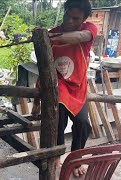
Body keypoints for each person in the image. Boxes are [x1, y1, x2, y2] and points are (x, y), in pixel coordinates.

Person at [31, 0, 97, 177]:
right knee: (57, 116)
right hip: (57, 83)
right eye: (68, 15)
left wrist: (49, 38)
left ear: (83, 19)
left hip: (78, 86)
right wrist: (37, 101)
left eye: (75, 18)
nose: (69, 20)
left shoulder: (89, 29)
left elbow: (79, 37)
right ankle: (57, 155)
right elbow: (44, 66)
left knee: (83, 123)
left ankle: (76, 159)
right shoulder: (52, 33)